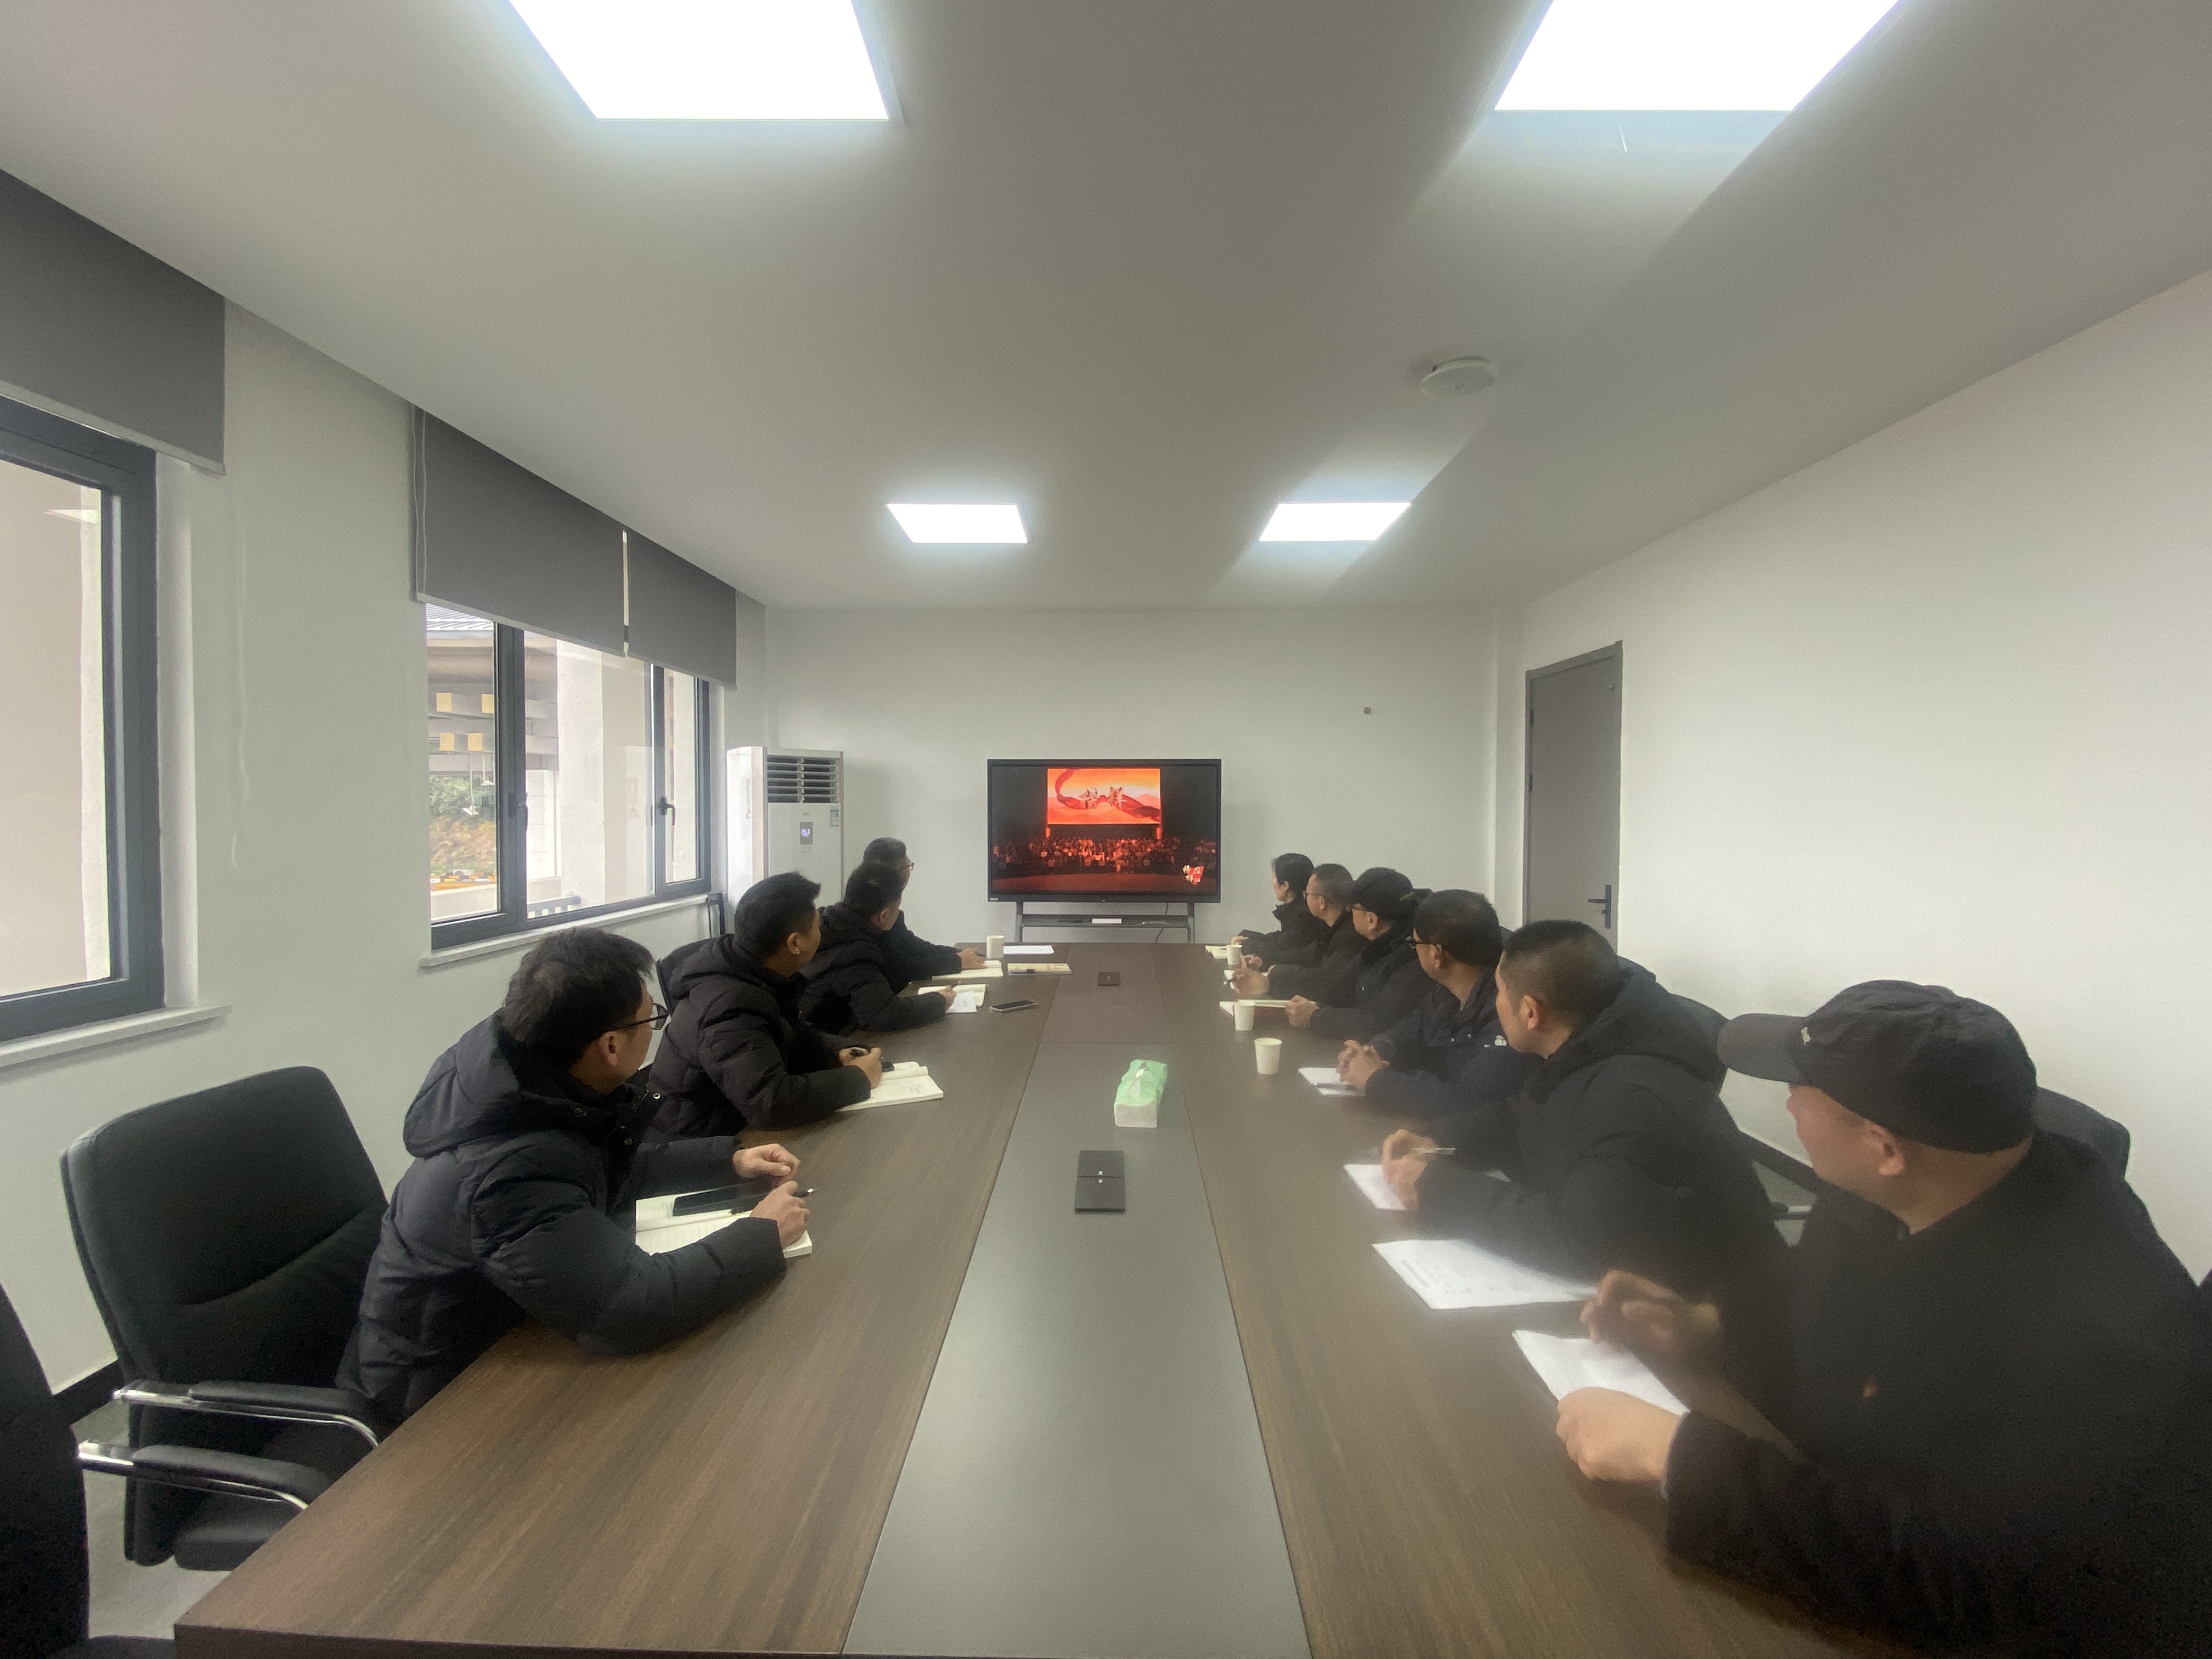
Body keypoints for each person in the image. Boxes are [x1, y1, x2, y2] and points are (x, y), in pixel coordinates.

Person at [1557, 983, 2212, 1656]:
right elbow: (1814, 1314)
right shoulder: (1892, 1189)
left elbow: (1958, 1576)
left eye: (1801, 1089)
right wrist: (1709, 1326)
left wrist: (1677, 1458)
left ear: (1885, 1148)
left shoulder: (2103, 1342)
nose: (1789, 1102)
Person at [339, 928, 809, 1420]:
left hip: (520, 1333)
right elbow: (632, 1308)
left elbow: (598, 1169)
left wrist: (726, 1161)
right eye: (652, 1017)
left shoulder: (535, 1080)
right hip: (430, 1403)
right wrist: (761, 1235)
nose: (657, 1028)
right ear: (610, 1046)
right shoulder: (509, 1172)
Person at [1379, 919, 1778, 1300]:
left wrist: (1438, 1190)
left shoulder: (1633, 1097)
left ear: (1531, 1012)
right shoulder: (1588, 1044)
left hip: (1698, 1310)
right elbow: (1521, 1116)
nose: (1495, 1005)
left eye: (1498, 993)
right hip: (1626, 1269)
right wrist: (1438, 1139)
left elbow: (1582, 1241)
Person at [647, 872, 883, 1139]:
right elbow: (771, 1102)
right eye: (818, 926)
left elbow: (791, 1032)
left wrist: (837, 1051)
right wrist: (859, 1079)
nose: (822, 931)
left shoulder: (751, 969)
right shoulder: (730, 1006)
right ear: (795, 943)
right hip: (697, 1142)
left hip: (734, 1120)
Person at [1335, 888, 1536, 1118]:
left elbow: (1467, 1101)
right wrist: (1373, 1052)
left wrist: (1376, 1080)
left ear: (1436, 955)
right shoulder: (1446, 993)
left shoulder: (1507, 1010)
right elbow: (1407, 1032)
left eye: (1414, 943)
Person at [800, 861, 955, 1035]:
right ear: (884, 916)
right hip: (822, 1039)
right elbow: (882, 1015)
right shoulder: (855, 953)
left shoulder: (830, 920)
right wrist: (938, 1000)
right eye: (897, 907)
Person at [1297, 867, 1432, 1041]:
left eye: (1352, 908)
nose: (1348, 912)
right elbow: (1340, 986)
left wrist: (1315, 1018)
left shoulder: (1414, 957)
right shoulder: (1380, 944)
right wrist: (1312, 1007)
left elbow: (1378, 1023)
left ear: (1371, 920)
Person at [860, 836, 984, 985]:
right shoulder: (874, 912)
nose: (909, 871)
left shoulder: (873, 900)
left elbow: (912, 946)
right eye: (908, 866)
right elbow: (900, 968)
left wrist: (957, 953)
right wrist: (957, 961)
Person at [1231, 862, 1359, 1000]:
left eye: (1307, 894)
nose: (1304, 898)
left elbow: (1325, 980)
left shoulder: (1349, 936)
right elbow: (1310, 953)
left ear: (1322, 902)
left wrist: (1271, 979)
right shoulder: (1336, 928)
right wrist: (1264, 959)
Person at [1228, 853, 1323, 962]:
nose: (1273, 883)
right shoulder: (1300, 909)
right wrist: (1249, 937)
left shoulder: (1303, 917)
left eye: (1274, 878)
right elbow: (1281, 938)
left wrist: (1245, 945)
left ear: (1285, 885)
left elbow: (1282, 948)